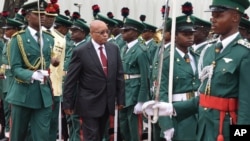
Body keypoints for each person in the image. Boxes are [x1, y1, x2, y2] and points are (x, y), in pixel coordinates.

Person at [142, 0, 250, 141]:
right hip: (204, 127)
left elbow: (246, 106)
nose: (213, 19)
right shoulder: (210, 51)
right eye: (212, 15)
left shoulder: (244, 53)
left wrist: (241, 136)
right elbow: (204, 97)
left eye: (218, 15)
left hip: (225, 129)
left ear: (235, 17)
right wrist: (171, 108)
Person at [62, 20, 125, 141]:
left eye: (107, 31)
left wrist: (120, 98)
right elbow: (71, 79)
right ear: (92, 33)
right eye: (101, 32)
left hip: (107, 102)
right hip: (88, 102)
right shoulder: (81, 51)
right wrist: (67, 103)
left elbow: (119, 75)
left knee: (101, 135)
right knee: (91, 136)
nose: (106, 35)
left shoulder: (113, 49)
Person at [5, 0, 59, 140]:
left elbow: (46, 60)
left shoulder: (49, 39)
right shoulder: (18, 39)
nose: (42, 17)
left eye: (43, 14)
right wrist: (32, 74)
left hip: (43, 95)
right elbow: (15, 68)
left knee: (42, 135)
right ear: (28, 16)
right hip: (23, 93)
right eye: (37, 14)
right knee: (18, 135)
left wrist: (53, 62)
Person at [119, 18, 150, 141]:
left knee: (134, 130)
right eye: (123, 30)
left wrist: (141, 100)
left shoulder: (141, 51)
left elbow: (145, 76)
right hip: (124, 93)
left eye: (126, 31)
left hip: (134, 94)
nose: (123, 33)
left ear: (136, 33)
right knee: (123, 127)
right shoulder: (123, 49)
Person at [0, 17, 23, 141]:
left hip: (13, 78)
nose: (5, 32)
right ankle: (8, 132)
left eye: (8, 29)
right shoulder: (7, 42)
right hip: (5, 78)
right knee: (6, 107)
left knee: (12, 108)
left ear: (15, 30)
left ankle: (12, 133)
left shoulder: (18, 42)